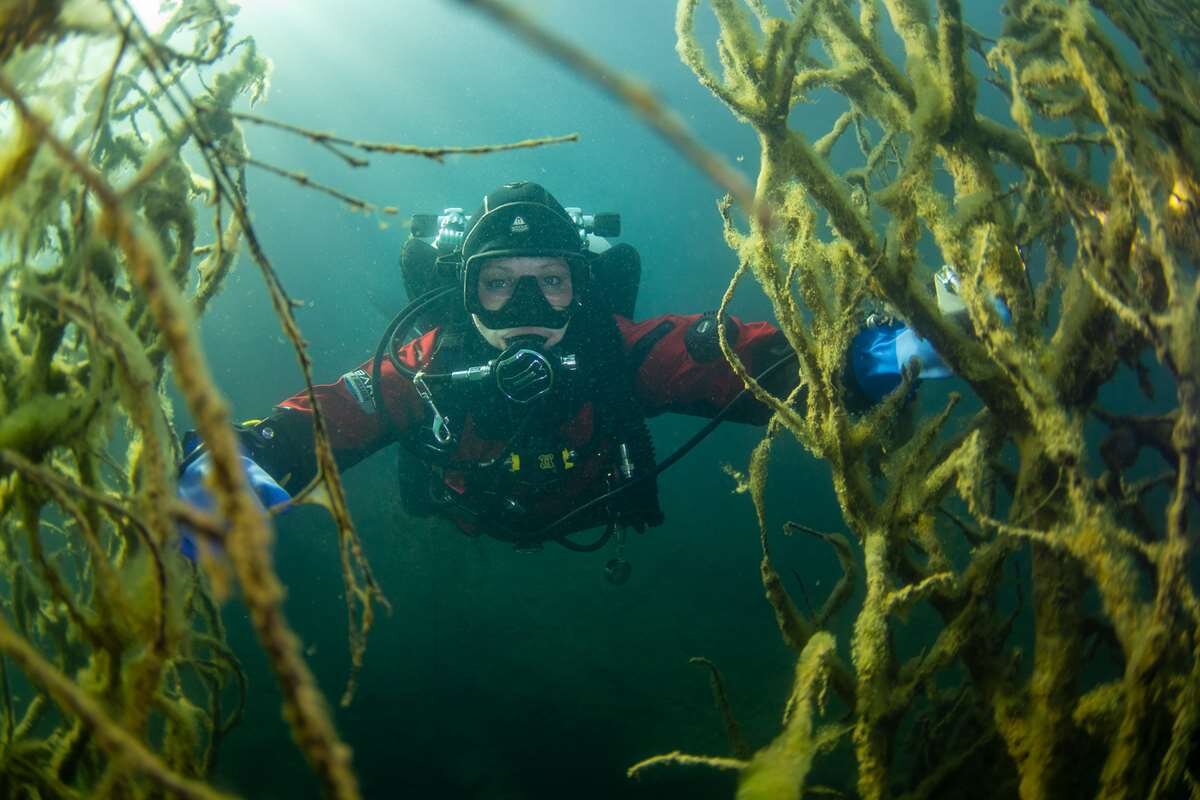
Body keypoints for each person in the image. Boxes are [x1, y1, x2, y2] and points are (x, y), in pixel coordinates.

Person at [178, 181, 968, 575]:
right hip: (463, 525)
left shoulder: (621, 349)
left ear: (579, 288)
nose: (526, 305)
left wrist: (877, 356)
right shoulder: (429, 364)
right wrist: (248, 457)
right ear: (465, 293)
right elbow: (338, 407)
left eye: (549, 281)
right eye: (499, 284)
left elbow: (733, 356)